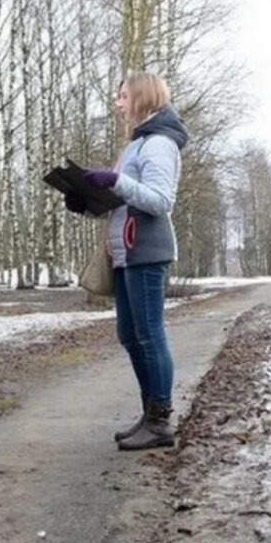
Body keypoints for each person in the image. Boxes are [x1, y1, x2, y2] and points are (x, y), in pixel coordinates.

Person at [67, 71, 189, 451]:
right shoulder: (135, 145)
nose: (118, 104)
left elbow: (159, 200)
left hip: (147, 251)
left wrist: (114, 181)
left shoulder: (159, 144)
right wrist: (86, 202)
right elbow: (121, 201)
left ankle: (160, 421)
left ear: (142, 98)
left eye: (123, 97)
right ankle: (149, 411)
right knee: (130, 335)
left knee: (149, 334)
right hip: (123, 252)